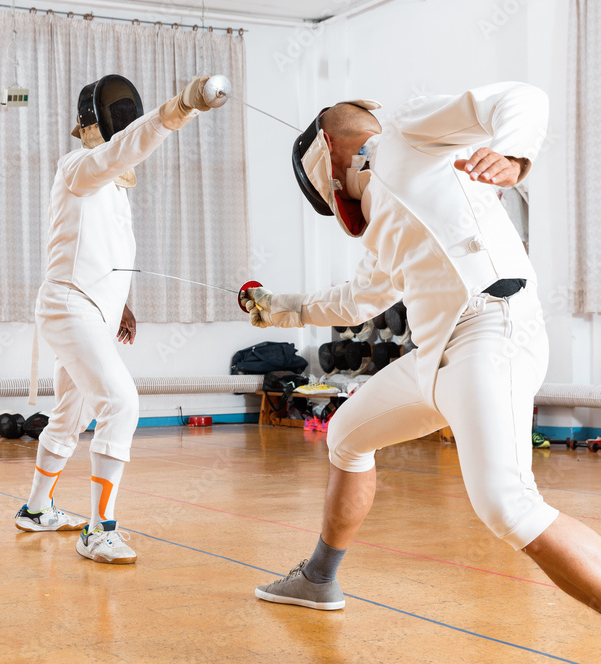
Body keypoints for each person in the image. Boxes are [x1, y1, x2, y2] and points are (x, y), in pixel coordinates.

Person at [244, 83, 601, 614]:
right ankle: (319, 578)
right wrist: (283, 306)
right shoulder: (384, 218)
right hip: (434, 359)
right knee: (345, 434)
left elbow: (520, 96)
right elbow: (360, 298)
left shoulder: (409, 134)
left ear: (330, 152)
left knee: (509, 506)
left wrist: (513, 154)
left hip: (489, 332)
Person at [13, 74, 221, 564]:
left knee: (70, 415)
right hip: (70, 306)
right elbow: (123, 150)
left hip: (95, 311)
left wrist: (120, 304)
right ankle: (99, 529)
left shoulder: (114, 191)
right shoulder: (78, 166)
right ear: (94, 123)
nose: (124, 122)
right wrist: (180, 109)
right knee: (122, 403)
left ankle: (36, 509)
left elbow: (103, 252)